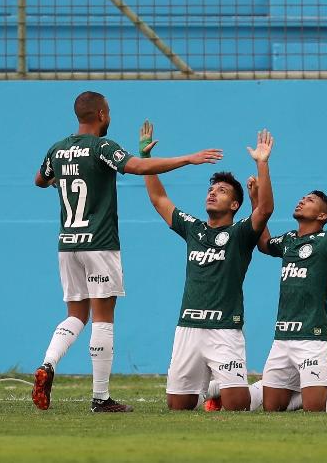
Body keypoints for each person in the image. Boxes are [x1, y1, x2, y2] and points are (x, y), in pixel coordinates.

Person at [31, 92, 223, 413]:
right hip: (99, 243)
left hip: (68, 244)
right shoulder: (102, 147)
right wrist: (187, 158)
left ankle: (48, 364)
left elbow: (41, 180)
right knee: (103, 318)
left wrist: (66, 177)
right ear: (103, 114)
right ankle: (100, 398)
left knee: (75, 315)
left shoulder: (58, 149)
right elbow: (135, 166)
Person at [140, 122, 274, 411]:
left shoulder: (240, 234)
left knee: (236, 405)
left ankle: (266, 387)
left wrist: (262, 164)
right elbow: (158, 198)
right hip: (188, 328)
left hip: (224, 329)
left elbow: (264, 210)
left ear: (235, 204)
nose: (213, 193)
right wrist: (146, 160)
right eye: (211, 189)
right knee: (178, 407)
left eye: (222, 191)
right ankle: (214, 385)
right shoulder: (193, 229)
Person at [234, 170, 327, 412]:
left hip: (312, 335)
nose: (302, 200)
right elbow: (263, 244)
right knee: (272, 408)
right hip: (283, 336)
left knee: (315, 408)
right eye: (303, 198)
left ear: (322, 215)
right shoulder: (289, 240)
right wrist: (255, 201)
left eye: (310, 200)